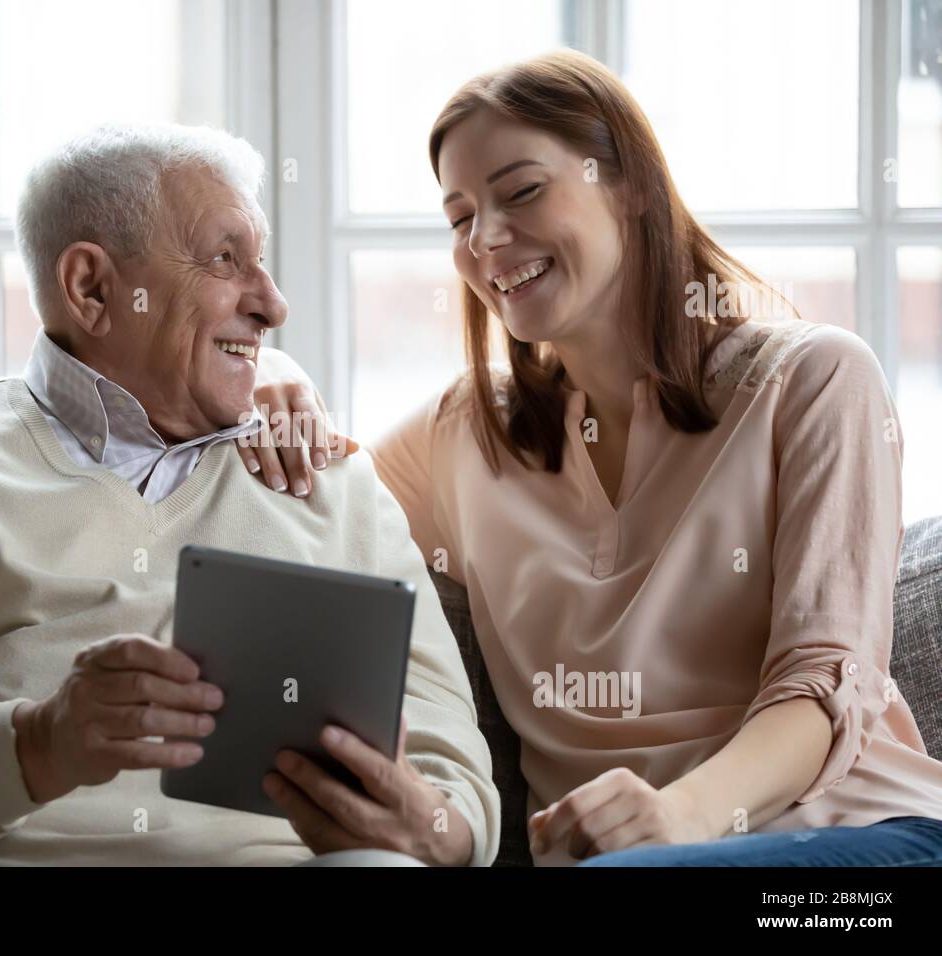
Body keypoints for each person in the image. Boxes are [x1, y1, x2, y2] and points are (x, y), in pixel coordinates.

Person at [239, 50, 942, 866]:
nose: (487, 239)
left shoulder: (814, 379)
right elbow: (320, 497)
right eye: (460, 216)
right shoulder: (466, 433)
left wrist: (680, 815)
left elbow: (827, 682)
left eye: (523, 191)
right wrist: (272, 370)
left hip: (858, 845)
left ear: (631, 185)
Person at [0, 124, 499, 867]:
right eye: (225, 258)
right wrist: (39, 743)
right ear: (91, 287)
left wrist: (431, 827)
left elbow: (457, 784)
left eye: (263, 261)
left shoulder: (330, 477)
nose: (274, 304)